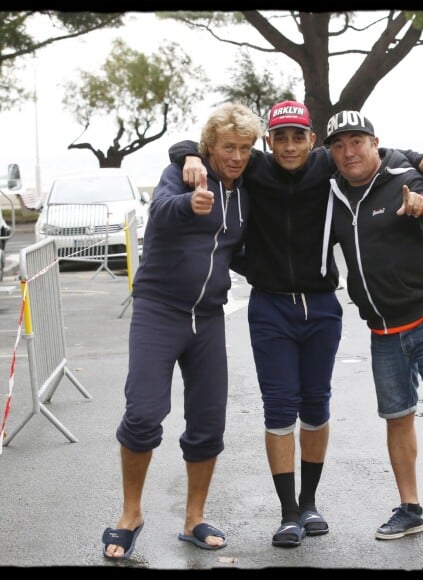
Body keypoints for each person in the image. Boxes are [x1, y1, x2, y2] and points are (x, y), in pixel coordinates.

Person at [169, 100, 423, 548]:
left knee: (316, 406)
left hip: (320, 306)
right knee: (279, 408)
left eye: (297, 136)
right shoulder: (254, 166)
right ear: (269, 141)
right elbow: (202, 149)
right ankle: (287, 514)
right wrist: (184, 154)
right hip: (271, 307)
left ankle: (309, 503)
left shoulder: (328, 165)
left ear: (311, 140)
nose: (289, 145)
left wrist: (417, 159)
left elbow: (380, 152)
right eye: (279, 137)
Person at [101, 102, 264, 559]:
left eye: (245, 148)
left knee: (209, 422)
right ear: (210, 147)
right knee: (144, 414)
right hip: (159, 311)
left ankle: (194, 518)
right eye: (228, 147)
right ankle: (130, 514)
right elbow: (161, 209)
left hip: (209, 317)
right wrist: (189, 201)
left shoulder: (246, 187)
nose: (236, 156)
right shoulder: (186, 175)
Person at [321, 110, 423, 551]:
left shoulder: (407, 175)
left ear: (375, 143)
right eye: (339, 145)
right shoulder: (332, 190)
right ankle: (410, 508)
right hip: (383, 328)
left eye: (357, 141)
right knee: (397, 417)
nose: (349, 152)